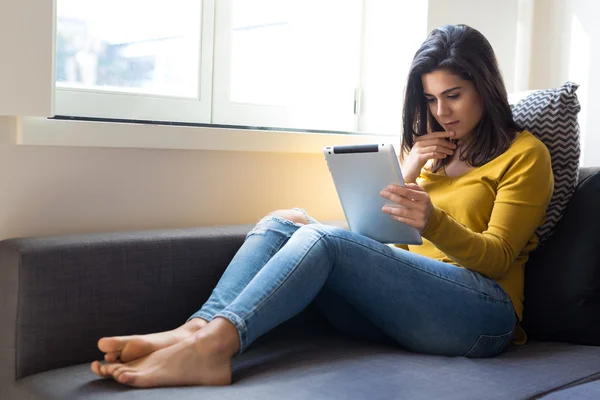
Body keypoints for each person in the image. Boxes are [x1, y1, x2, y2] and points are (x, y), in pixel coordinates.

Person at [90, 24, 554, 388]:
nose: (442, 111)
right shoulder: (429, 151)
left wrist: (434, 220)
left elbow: (496, 258)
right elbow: (374, 244)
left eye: (453, 95)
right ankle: (194, 329)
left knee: (325, 239)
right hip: (412, 313)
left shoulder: (525, 155)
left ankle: (213, 348)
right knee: (282, 222)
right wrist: (407, 170)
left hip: (483, 316)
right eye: (431, 99)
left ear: (486, 88)